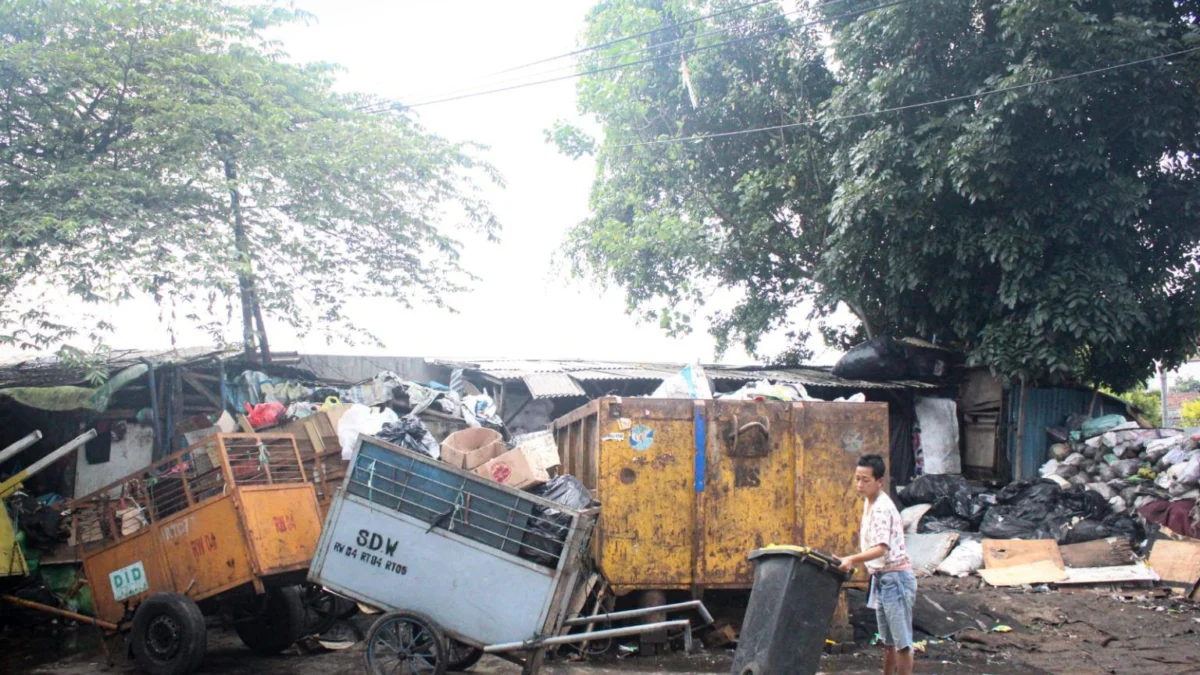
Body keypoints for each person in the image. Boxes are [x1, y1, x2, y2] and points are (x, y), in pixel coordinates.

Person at [837, 454, 916, 675]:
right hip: (882, 577)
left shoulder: (881, 508)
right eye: (857, 479)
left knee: (902, 643)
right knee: (888, 642)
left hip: (895, 579)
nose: (859, 485)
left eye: (865, 480)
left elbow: (881, 548)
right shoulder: (868, 503)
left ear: (880, 482)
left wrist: (852, 559)